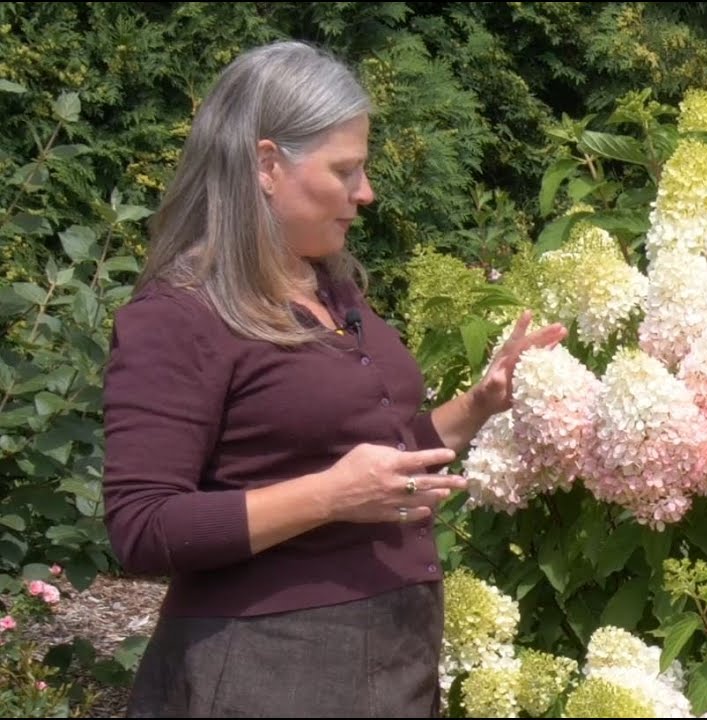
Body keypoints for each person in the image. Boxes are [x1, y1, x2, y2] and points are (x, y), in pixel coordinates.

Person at [101, 39, 565, 718]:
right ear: (266, 165)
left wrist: (478, 404)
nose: (366, 193)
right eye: (345, 170)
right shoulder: (181, 314)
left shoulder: (331, 291)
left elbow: (371, 461)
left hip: (393, 661)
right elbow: (142, 525)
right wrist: (328, 496)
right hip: (264, 674)